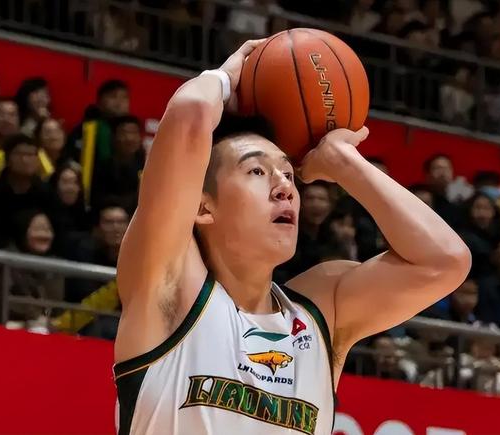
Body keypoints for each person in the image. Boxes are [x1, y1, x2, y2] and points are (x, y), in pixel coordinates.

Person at [113, 40, 471, 434]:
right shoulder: (169, 286)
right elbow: (191, 111)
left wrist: (344, 162)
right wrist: (226, 79)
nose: (284, 187)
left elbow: (445, 261)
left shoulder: (321, 311)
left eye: (288, 173)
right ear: (202, 207)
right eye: (256, 171)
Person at [0, 134, 54, 248]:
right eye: (19, 154)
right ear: (7, 159)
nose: (25, 160)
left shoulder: (46, 192)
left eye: (31, 155)